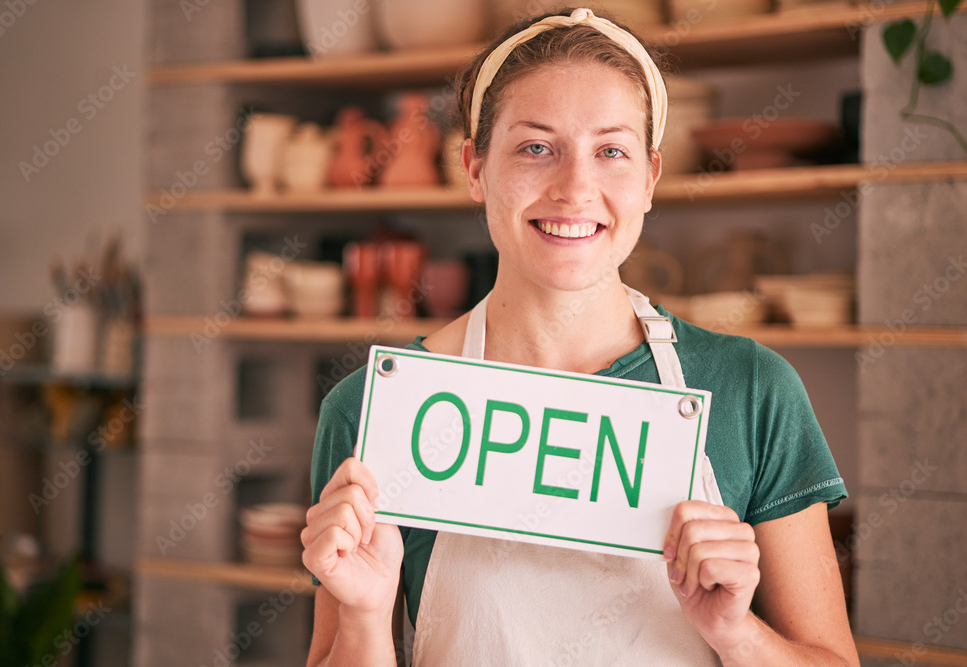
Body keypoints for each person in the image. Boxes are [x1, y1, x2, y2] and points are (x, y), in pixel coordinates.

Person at [302, 8, 858, 665]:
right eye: (536, 147)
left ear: (650, 178)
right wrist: (366, 619)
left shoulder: (754, 389)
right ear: (474, 168)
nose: (575, 188)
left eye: (611, 151)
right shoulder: (372, 410)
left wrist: (737, 632)